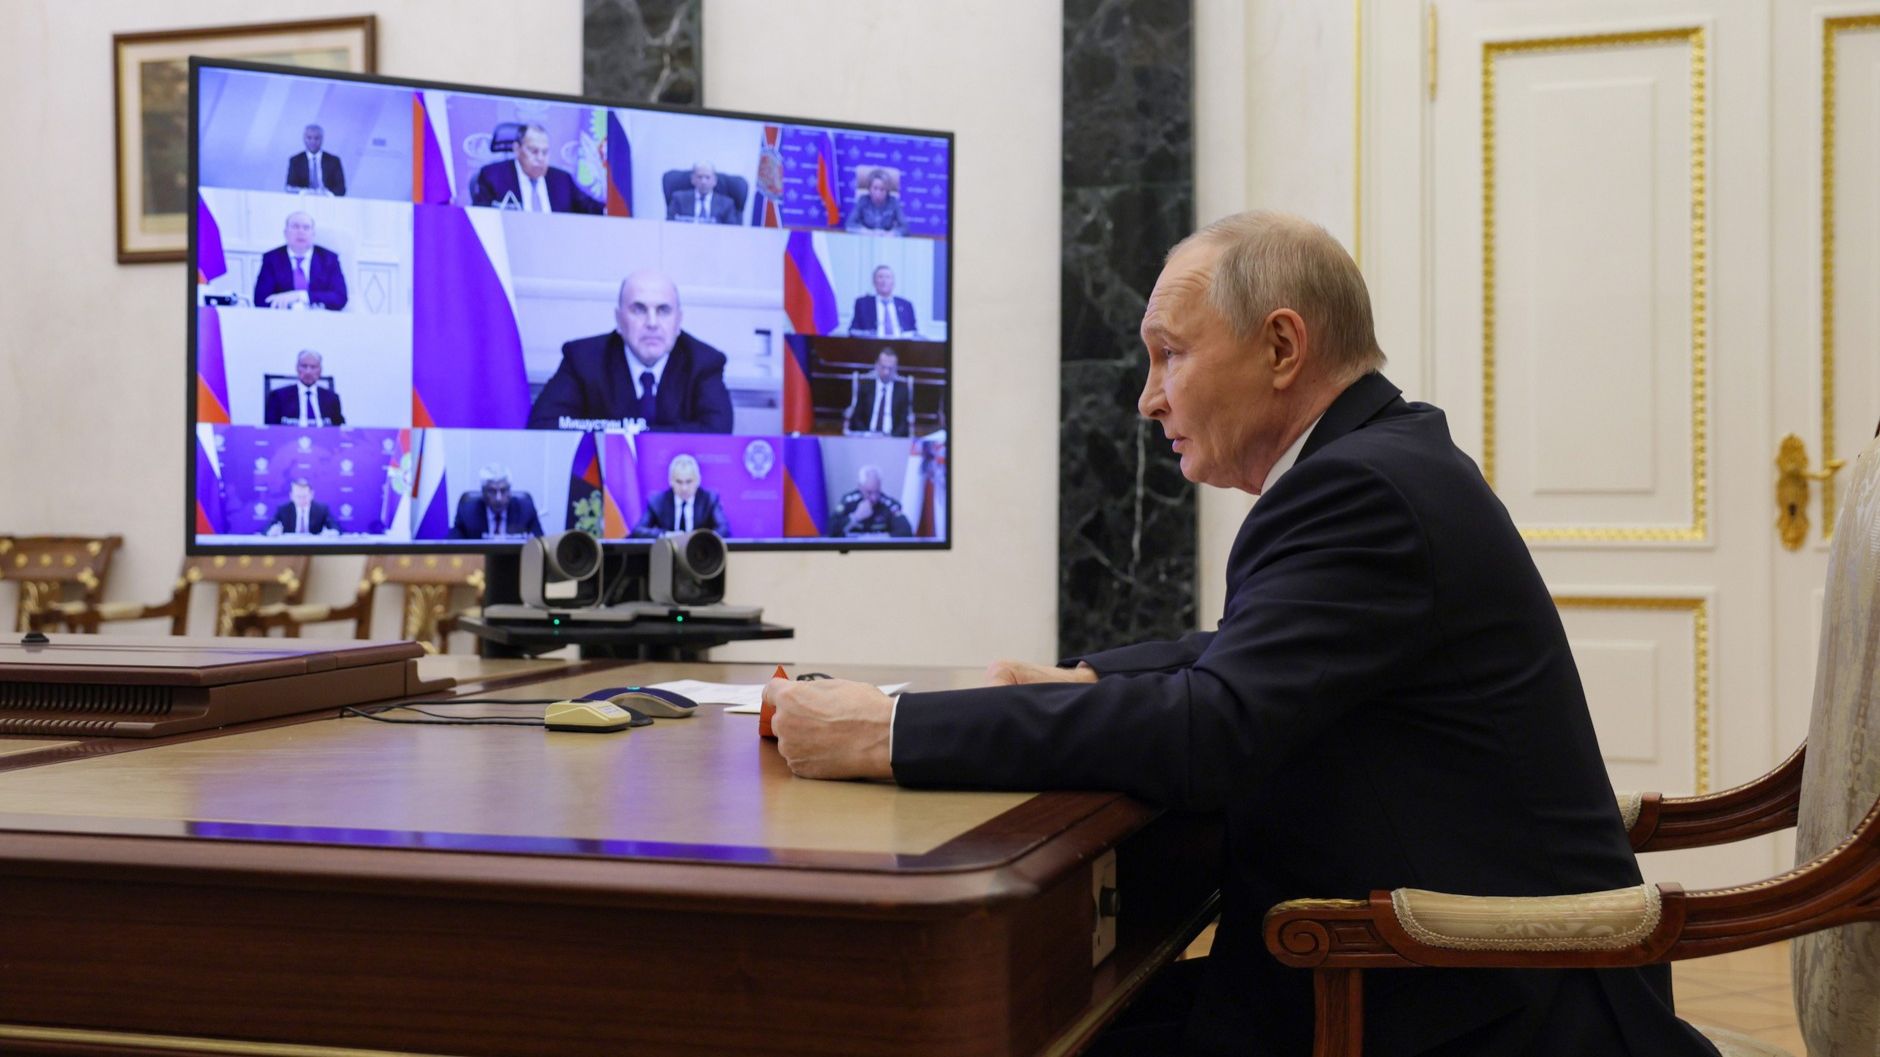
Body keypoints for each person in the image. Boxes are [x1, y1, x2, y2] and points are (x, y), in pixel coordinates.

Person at [762, 212, 1720, 1057]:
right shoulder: (1387, 457)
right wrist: (1090, 677)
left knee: (988, 1027)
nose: (1148, 398)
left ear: (1282, 347)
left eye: (1170, 354)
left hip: (1469, 1005)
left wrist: (887, 731)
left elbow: (1213, 727)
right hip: (1428, 973)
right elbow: (1248, 650)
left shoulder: (1358, 488)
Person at [526, 271, 734, 432]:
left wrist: (625, 434)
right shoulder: (583, 359)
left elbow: (717, 432)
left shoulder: (704, 363)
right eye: (639, 310)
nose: (652, 323)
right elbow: (544, 425)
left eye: (663, 311)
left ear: (678, 321)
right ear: (619, 319)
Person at [470, 123, 603, 214]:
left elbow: (592, 208)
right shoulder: (493, 176)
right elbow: (482, 217)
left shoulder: (562, 180)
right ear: (517, 149)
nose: (540, 158)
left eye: (545, 152)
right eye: (534, 151)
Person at [253, 212, 348, 311]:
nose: (301, 231)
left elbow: (340, 297)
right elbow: (260, 299)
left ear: (313, 234)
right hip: (284, 316)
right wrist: (293, 306)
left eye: (306, 228)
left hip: (320, 316)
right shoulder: (272, 258)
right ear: (285, 233)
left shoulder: (329, 259)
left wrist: (301, 296)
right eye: (295, 227)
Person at [632, 454, 731, 537]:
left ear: (698, 480)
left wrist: (701, 538)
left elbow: (724, 529)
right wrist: (666, 535)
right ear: (670, 481)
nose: (684, 488)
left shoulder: (709, 499)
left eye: (689, 481)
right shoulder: (658, 501)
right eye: (679, 482)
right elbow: (638, 531)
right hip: (667, 550)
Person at [449, 465, 544, 539]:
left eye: (503, 490)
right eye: (492, 491)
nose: (498, 498)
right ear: (483, 492)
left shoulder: (525, 510)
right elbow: (452, 546)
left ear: (510, 492)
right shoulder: (467, 513)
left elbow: (541, 543)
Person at [264, 349, 346, 426]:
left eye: (313, 367)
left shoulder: (332, 398)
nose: (308, 372)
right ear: (297, 368)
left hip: (323, 436)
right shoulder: (278, 396)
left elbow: (339, 428)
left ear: (320, 370)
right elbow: (271, 428)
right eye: (304, 366)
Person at [828, 465, 911, 537]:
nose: (874, 498)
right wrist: (855, 517)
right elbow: (831, 530)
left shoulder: (889, 505)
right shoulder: (849, 501)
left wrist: (879, 539)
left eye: (877, 492)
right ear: (860, 487)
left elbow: (906, 532)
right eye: (869, 492)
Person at [844, 348, 911, 437]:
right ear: (877, 365)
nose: (886, 372)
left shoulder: (902, 391)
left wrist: (893, 438)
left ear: (896, 368)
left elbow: (903, 423)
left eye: (890, 368)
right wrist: (866, 435)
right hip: (867, 437)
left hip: (892, 438)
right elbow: (857, 418)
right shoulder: (866, 387)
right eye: (883, 367)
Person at [848, 265, 920, 338]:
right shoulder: (863, 304)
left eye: (888, 277)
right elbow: (853, 331)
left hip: (901, 343)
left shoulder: (906, 305)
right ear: (874, 282)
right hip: (873, 344)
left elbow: (914, 332)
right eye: (880, 277)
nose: (884, 281)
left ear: (893, 282)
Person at [284, 123, 345, 196]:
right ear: (304, 139)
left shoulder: (334, 161)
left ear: (322, 139)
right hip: (302, 200)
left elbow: (341, 189)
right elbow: (290, 187)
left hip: (328, 200)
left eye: (316, 138)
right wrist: (305, 192)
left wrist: (326, 194)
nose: (313, 141)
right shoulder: (295, 161)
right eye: (309, 138)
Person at [666, 162, 737, 224]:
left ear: (715, 181)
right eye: (699, 177)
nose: (703, 181)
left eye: (707, 177)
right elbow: (669, 225)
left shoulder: (726, 204)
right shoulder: (679, 199)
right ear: (692, 179)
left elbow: (732, 230)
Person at [844, 168, 905, 236]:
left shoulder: (894, 202)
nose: (878, 193)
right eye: (875, 188)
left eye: (882, 189)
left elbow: (905, 228)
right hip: (866, 238)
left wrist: (891, 234)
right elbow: (849, 225)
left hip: (886, 239)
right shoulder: (862, 200)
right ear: (869, 188)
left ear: (887, 190)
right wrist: (865, 232)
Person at [265, 478, 334, 536]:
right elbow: (266, 529)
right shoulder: (283, 509)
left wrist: (330, 533)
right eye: (298, 496)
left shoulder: (322, 509)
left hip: (314, 546)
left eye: (304, 496)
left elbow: (334, 528)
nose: (301, 499)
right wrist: (272, 531)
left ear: (311, 495)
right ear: (291, 496)